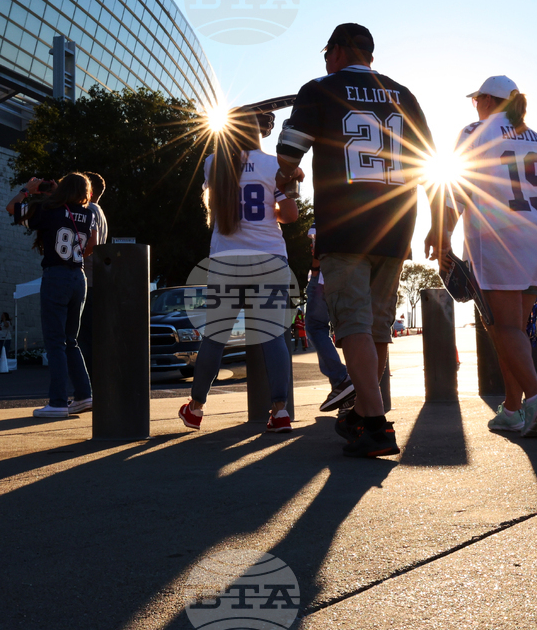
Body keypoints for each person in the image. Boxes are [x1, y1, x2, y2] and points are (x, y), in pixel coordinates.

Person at [276, 23, 432, 457]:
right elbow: (430, 165)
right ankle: (364, 413)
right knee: (378, 327)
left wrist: (287, 175)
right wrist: (438, 225)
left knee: (352, 326)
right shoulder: (404, 95)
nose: (326, 60)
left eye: (328, 52)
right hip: (397, 224)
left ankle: (376, 424)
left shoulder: (320, 89)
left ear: (341, 50)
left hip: (346, 225)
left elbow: (289, 151)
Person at [425, 75, 537, 437]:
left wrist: (442, 233)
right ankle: (513, 409)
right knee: (515, 330)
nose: (475, 106)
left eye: (476, 100)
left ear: (486, 100)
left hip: (500, 237)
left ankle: (536, 398)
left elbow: (459, 186)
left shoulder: (476, 131)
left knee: (503, 328)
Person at [179, 109, 300, 432]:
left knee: (215, 338)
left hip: (226, 260)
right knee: (273, 336)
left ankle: (196, 408)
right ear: (259, 132)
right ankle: (280, 411)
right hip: (270, 258)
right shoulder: (274, 166)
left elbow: (216, 204)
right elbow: (290, 215)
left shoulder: (213, 163)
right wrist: (275, 205)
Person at [7, 173, 97, 417]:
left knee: (55, 342)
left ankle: (58, 402)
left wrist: (27, 190)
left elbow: (12, 208)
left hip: (56, 275)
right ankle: (84, 395)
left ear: (63, 188)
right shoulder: (89, 214)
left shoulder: (49, 209)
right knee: (71, 341)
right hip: (79, 276)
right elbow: (91, 245)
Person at [305, 226, 356, 412]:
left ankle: (341, 379)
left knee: (316, 328)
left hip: (323, 278)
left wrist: (315, 269)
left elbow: (318, 243)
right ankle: (350, 394)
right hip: (353, 276)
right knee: (351, 329)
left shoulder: (325, 216)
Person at [78, 172, 109, 382]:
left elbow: (92, 244)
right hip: (97, 281)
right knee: (91, 337)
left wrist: (75, 255)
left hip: (87, 281)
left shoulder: (88, 210)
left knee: (83, 338)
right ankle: (95, 385)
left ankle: (87, 386)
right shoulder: (100, 211)